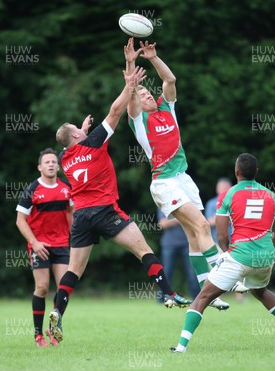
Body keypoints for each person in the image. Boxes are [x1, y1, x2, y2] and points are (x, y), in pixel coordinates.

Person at [48, 66, 192, 344]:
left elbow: (70, 144)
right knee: (143, 250)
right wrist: (129, 86)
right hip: (105, 210)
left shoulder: (65, 159)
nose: (82, 129)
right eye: (78, 129)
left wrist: (82, 132)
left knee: (74, 271)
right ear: (78, 137)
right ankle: (170, 293)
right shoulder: (92, 145)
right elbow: (115, 112)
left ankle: (57, 310)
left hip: (81, 217)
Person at [124, 38, 245, 310]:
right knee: (203, 226)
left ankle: (206, 291)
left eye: (146, 93)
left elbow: (170, 79)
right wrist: (131, 65)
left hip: (183, 179)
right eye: (141, 96)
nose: (145, 97)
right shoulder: (139, 120)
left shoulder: (167, 108)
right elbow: (130, 98)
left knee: (194, 236)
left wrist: (153, 58)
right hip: (164, 183)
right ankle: (226, 277)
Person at [171, 153, 275, 353]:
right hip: (265, 257)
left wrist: (228, 254)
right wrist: (262, 244)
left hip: (238, 255)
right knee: (261, 292)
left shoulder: (228, 194)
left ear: (236, 172)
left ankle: (181, 348)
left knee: (202, 298)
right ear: (257, 173)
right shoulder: (271, 196)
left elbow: (220, 235)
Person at [15, 148, 72, 347]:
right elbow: (20, 221)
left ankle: (52, 327)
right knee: (42, 287)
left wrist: (75, 236)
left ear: (58, 166)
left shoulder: (67, 188)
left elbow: (71, 212)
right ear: (40, 167)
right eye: (46, 162)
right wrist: (35, 242)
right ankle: (38, 335)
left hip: (63, 244)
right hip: (40, 245)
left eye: (53, 162)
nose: (50, 164)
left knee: (64, 288)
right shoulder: (31, 190)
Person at [157, 209, 200, 300]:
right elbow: (162, 224)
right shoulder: (164, 204)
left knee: (192, 273)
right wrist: (181, 218)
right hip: (169, 244)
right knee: (166, 273)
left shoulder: (187, 203)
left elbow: (196, 220)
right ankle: (161, 299)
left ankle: (197, 300)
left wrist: (173, 220)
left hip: (188, 244)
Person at [205, 178, 233, 242]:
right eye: (222, 188)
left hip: (234, 243)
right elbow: (209, 222)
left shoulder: (235, 202)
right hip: (217, 241)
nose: (224, 190)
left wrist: (219, 217)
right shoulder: (211, 203)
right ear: (217, 189)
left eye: (226, 187)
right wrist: (228, 217)